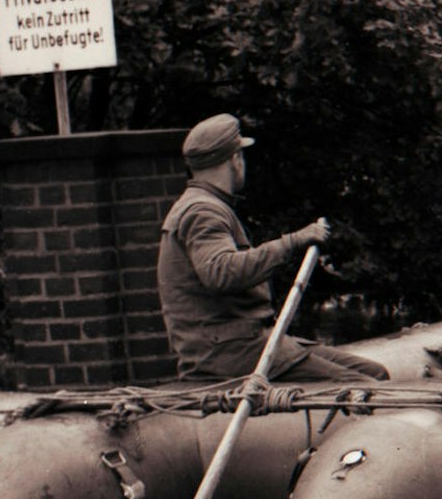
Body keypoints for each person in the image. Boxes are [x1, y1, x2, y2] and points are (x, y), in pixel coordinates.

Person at [157, 114, 389, 382]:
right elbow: (221, 272)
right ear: (234, 159)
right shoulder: (203, 211)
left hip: (243, 344)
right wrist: (292, 241)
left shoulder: (202, 205)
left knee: (375, 374)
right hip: (231, 353)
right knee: (365, 389)